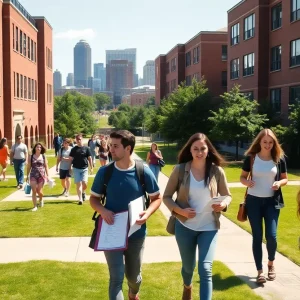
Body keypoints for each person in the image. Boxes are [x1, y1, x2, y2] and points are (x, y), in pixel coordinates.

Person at [90, 130, 161, 300]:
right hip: (111, 232)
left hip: (136, 233)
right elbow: (93, 199)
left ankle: (133, 292)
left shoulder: (142, 171)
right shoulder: (105, 172)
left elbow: (156, 198)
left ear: (128, 148)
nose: (110, 150)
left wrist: (147, 213)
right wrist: (103, 210)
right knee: (116, 278)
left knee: (133, 277)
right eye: (110, 145)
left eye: (115, 146)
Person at [163, 133, 232, 300]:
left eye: (203, 148)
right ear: (190, 150)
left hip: (209, 227)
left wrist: (223, 204)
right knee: (188, 267)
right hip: (185, 226)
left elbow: (227, 195)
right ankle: (187, 286)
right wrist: (181, 211)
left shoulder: (217, 171)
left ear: (208, 149)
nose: (199, 152)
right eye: (196, 149)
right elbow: (166, 197)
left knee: (206, 268)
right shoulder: (179, 170)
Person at [240, 128, 288, 284]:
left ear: (274, 143)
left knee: (272, 236)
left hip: (271, 203)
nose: (268, 145)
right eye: (265, 142)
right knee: (257, 236)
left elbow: (285, 179)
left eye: (270, 142)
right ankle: (260, 271)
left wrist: (279, 183)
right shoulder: (251, 158)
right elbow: (242, 177)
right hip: (254, 201)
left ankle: (271, 264)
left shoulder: (278, 159)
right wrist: (247, 181)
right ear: (259, 142)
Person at [69, 134, 93, 205]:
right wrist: (70, 167)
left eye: (80, 139)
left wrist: (91, 167)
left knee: (84, 184)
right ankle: (80, 199)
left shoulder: (86, 148)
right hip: (76, 168)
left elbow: (89, 158)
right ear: (76, 140)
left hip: (84, 168)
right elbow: (71, 159)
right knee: (78, 184)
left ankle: (83, 192)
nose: (78, 140)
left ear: (82, 139)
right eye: (77, 139)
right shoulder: (74, 149)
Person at [26, 143, 49, 212]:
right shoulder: (31, 156)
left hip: (41, 175)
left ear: (41, 149)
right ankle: (35, 206)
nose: (39, 148)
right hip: (33, 175)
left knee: (40, 191)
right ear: (35, 148)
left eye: (40, 147)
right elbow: (29, 166)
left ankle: (41, 199)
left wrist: (48, 175)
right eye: (37, 147)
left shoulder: (43, 156)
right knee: (34, 191)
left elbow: (46, 166)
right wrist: (27, 175)